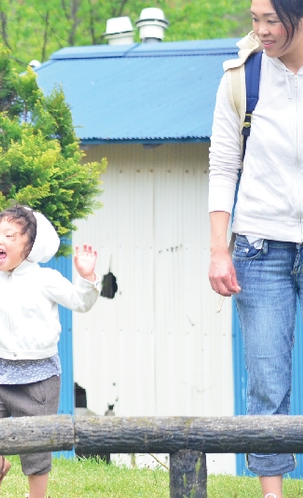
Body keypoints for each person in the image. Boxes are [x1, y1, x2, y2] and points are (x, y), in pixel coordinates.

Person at [0, 206, 99, 498]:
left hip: (39, 377)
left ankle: (37, 496)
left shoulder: (45, 279)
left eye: (10, 235)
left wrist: (87, 278)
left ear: (30, 245)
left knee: (36, 445)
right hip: (0, 374)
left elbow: (80, 302)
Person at [208, 1, 303, 495]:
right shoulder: (241, 78)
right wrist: (218, 248)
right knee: (267, 379)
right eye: (255, 19)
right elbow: (223, 165)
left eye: (272, 20)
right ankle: (272, 494)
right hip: (259, 246)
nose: (261, 30)